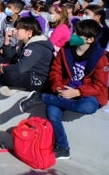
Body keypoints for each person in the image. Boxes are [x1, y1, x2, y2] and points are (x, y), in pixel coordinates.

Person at [19, 19, 108, 160]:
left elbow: (100, 86)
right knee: (52, 111)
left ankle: (42, 97)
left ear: (90, 39)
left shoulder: (100, 57)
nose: (73, 36)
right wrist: (58, 87)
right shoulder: (66, 49)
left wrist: (78, 92)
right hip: (65, 89)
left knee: (88, 107)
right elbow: (56, 71)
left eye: (79, 35)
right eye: (75, 32)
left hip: (87, 93)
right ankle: (63, 147)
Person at [0, 17, 55, 96]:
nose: (15, 31)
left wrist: (4, 68)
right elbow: (10, 57)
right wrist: (7, 40)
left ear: (29, 33)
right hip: (26, 74)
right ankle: (15, 84)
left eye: (18, 29)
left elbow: (21, 68)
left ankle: (16, 85)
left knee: (10, 76)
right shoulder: (24, 43)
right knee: (0, 60)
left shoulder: (36, 46)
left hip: (38, 79)